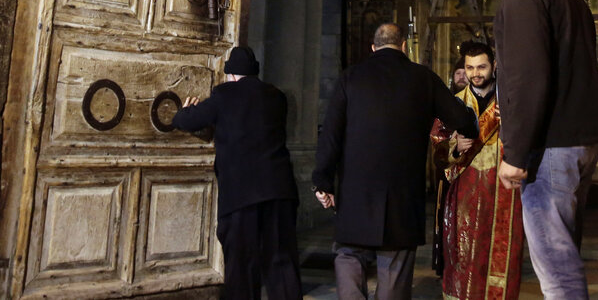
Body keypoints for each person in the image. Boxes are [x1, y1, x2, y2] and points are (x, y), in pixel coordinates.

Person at [485, 0, 598, 299]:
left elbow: (526, 78)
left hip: (549, 146)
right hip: (581, 139)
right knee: (565, 253)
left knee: (556, 268)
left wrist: (517, 153)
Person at [312, 23, 477, 299]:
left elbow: (331, 134)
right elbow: (460, 119)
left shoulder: (351, 78)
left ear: (373, 48)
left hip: (355, 192)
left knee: (349, 255)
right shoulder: (423, 77)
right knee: (395, 266)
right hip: (402, 193)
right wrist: (468, 133)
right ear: (403, 47)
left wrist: (322, 181)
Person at [172, 46, 302, 300]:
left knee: (242, 267)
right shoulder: (277, 97)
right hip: (279, 191)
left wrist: (185, 111)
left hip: (242, 196)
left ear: (230, 75)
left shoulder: (223, 96)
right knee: (282, 264)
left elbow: (185, 121)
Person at [443, 41, 524, 299]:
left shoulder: (510, 100)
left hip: (505, 188)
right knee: (464, 250)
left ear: (494, 66)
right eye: (470, 68)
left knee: (504, 249)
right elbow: (437, 144)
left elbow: (529, 134)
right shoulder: (454, 103)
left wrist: (511, 122)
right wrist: (454, 147)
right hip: (467, 187)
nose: (475, 73)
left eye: (481, 67)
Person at [429, 53, 468, 276]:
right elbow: (437, 138)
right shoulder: (447, 101)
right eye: (459, 72)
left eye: (466, 71)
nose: (463, 76)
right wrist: (453, 144)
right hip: (450, 172)